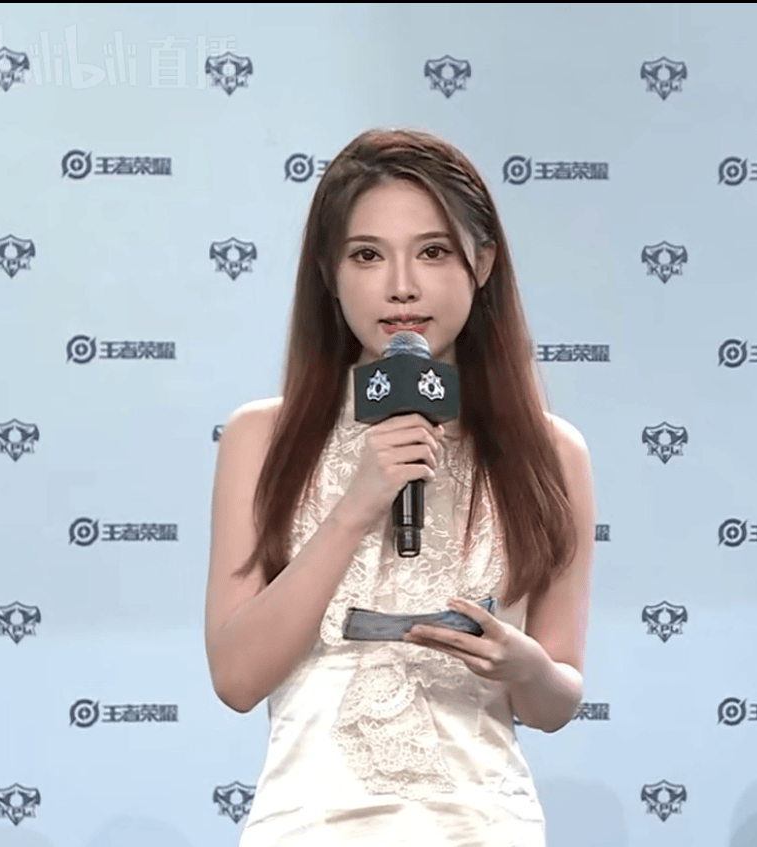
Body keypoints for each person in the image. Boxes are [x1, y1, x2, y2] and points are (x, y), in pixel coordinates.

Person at [203, 128, 595, 846]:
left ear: (482, 262)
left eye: (433, 251)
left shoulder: (552, 452)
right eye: (367, 255)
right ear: (329, 271)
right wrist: (355, 507)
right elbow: (236, 677)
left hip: (481, 825)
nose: (401, 285)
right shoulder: (261, 437)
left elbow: (558, 695)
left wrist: (527, 668)